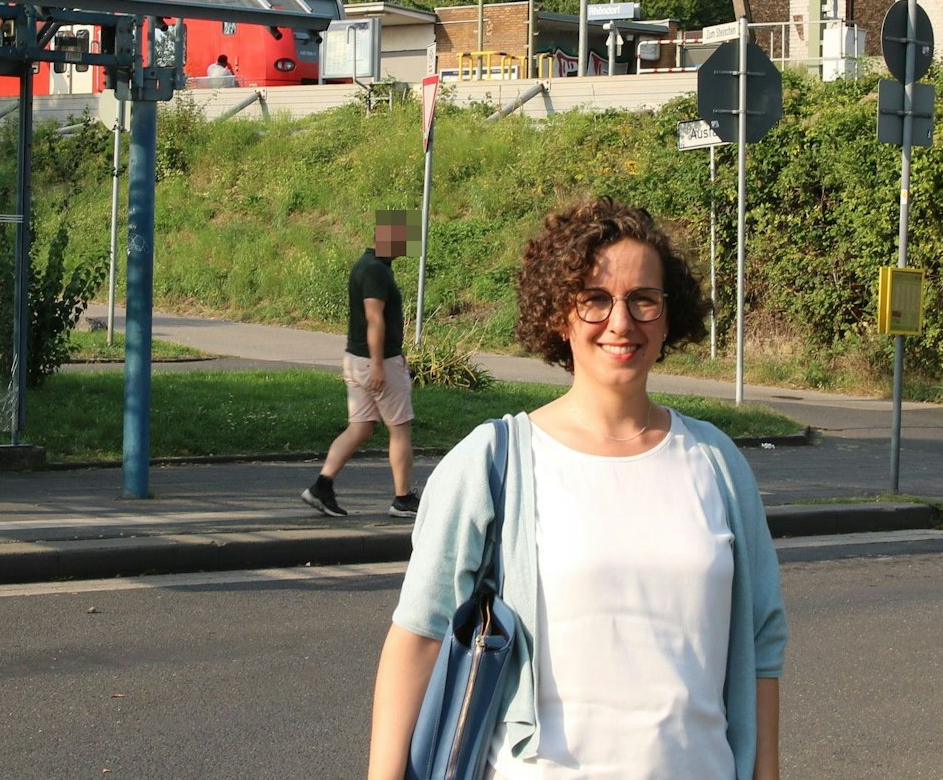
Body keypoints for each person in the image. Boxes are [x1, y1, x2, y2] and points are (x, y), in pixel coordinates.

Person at [367, 198, 786, 780]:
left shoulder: (716, 463)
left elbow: (762, 644)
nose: (621, 322)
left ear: (668, 317)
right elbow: (419, 637)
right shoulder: (495, 462)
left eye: (644, 299)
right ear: (560, 315)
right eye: (595, 299)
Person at [302, 209, 420, 520]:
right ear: (390, 238)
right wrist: (380, 364)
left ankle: (321, 486)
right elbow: (374, 318)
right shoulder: (376, 272)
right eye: (405, 238)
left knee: (361, 427)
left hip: (356, 360)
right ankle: (403, 498)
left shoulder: (367, 265)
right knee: (400, 429)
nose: (408, 244)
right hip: (375, 362)